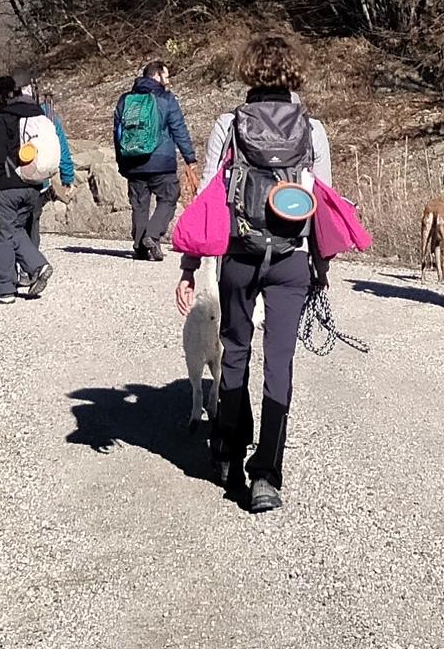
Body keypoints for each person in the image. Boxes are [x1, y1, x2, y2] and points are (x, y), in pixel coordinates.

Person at [178, 42, 334, 513]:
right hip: (291, 260)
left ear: (248, 74)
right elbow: (322, 202)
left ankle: (227, 449)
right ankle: (266, 475)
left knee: (235, 353)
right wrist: (320, 267)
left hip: (240, 256)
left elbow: (208, 196)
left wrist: (188, 265)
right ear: (293, 76)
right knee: (279, 364)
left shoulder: (229, 126)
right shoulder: (313, 130)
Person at [0, 73, 76, 305]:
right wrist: (67, 175)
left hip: (7, 186)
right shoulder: (39, 114)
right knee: (15, 229)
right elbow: (62, 146)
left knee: (1, 233)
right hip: (34, 185)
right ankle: (37, 266)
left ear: (1, 96)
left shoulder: (0, 119)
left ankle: (4, 289)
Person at [115, 56, 195, 261]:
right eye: (166, 76)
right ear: (157, 75)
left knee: (139, 203)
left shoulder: (126, 100)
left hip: (133, 159)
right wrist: (189, 157)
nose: (168, 81)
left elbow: (118, 132)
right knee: (169, 196)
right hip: (161, 161)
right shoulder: (167, 99)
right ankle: (152, 235)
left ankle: (140, 247)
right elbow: (179, 130)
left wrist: (122, 162)